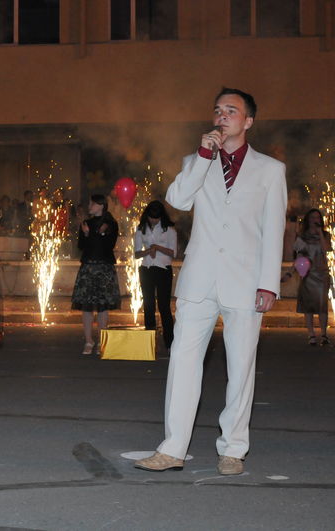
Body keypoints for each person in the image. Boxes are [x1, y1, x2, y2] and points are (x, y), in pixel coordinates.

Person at [135, 88, 287, 476]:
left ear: (248, 121)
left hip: (246, 281)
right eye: (218, 110)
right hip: (199, 279)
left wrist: (268, 283)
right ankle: (173, 448)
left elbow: (274, 229)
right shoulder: (196, 160)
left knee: (241, 368)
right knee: (183, 362)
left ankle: (233, 449)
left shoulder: (270, 170)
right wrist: (204, 156)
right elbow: (178, 199)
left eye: (231, 111)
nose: (222, 116)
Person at [71, 194, 121, 355]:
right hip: (88, 266)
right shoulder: (86, 223)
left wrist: (100, 234)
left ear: (101, 205)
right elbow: (81, 246)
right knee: (86, 306)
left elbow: (109, 245)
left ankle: (102, 341)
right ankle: (88, 341)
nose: (89, 206)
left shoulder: (111, 223)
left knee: (102, 306)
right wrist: (86, 234)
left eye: (92, 204)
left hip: (104, 267)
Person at [134, 200, 177, 351]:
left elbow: (173, 253)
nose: (153, 221)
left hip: (163, 269)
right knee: (148, 305)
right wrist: (149, 251)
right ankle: (150, 344)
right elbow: (137, 254)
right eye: (151, 218)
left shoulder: (169, 230)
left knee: (164, 306)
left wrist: (157, 247)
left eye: (156, 218)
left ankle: (170, 343)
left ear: (161, 216)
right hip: (147, 269)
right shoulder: (140, 229)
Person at [285, 209, 332, 346]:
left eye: (317, 217)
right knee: (308, 305)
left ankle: (324, 334)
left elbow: (326, 249)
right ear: (308, 220)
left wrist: (320, 233)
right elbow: (299, 257)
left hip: (322, 274)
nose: (314, 220)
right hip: (308, 275)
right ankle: (311, 334)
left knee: (322, 305)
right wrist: (290, 273)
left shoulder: (325, 235)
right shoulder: (302, 237)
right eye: (312, 217)